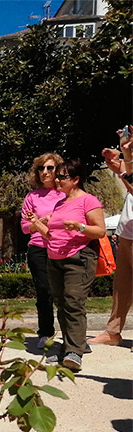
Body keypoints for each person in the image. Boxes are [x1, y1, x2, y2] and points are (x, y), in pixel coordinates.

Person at [25, 158, 105, 371]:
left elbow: (100, 231)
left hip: (79, 257)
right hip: (55, 258)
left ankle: (74, 352)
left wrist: (79, 227)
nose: (56, 179)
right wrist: (37, 224)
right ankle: (67, 348)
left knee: (73, 302)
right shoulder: (60, 204)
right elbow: (51, 235)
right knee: (61, 304)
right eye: (57, 176)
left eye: (62, 176)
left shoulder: (88, 200)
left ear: (76, 179)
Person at [89, 140, 133, 346]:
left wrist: (124, 165)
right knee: (121, 287)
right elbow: (125, 173)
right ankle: (113, 332)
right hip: (127, 232)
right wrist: (115, 163)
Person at [20, 152, 65, 349]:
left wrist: (49, 220)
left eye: (49, 168)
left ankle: (72, 336)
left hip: (62, 246)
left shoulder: (67, 193)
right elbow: (23, 227)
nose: (45, 172)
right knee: (44, 291)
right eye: (41, 168)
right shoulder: (32, 196)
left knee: (66, 293)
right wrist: (36, 224)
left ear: (58, 171)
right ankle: (45, 332)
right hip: (38, 248)